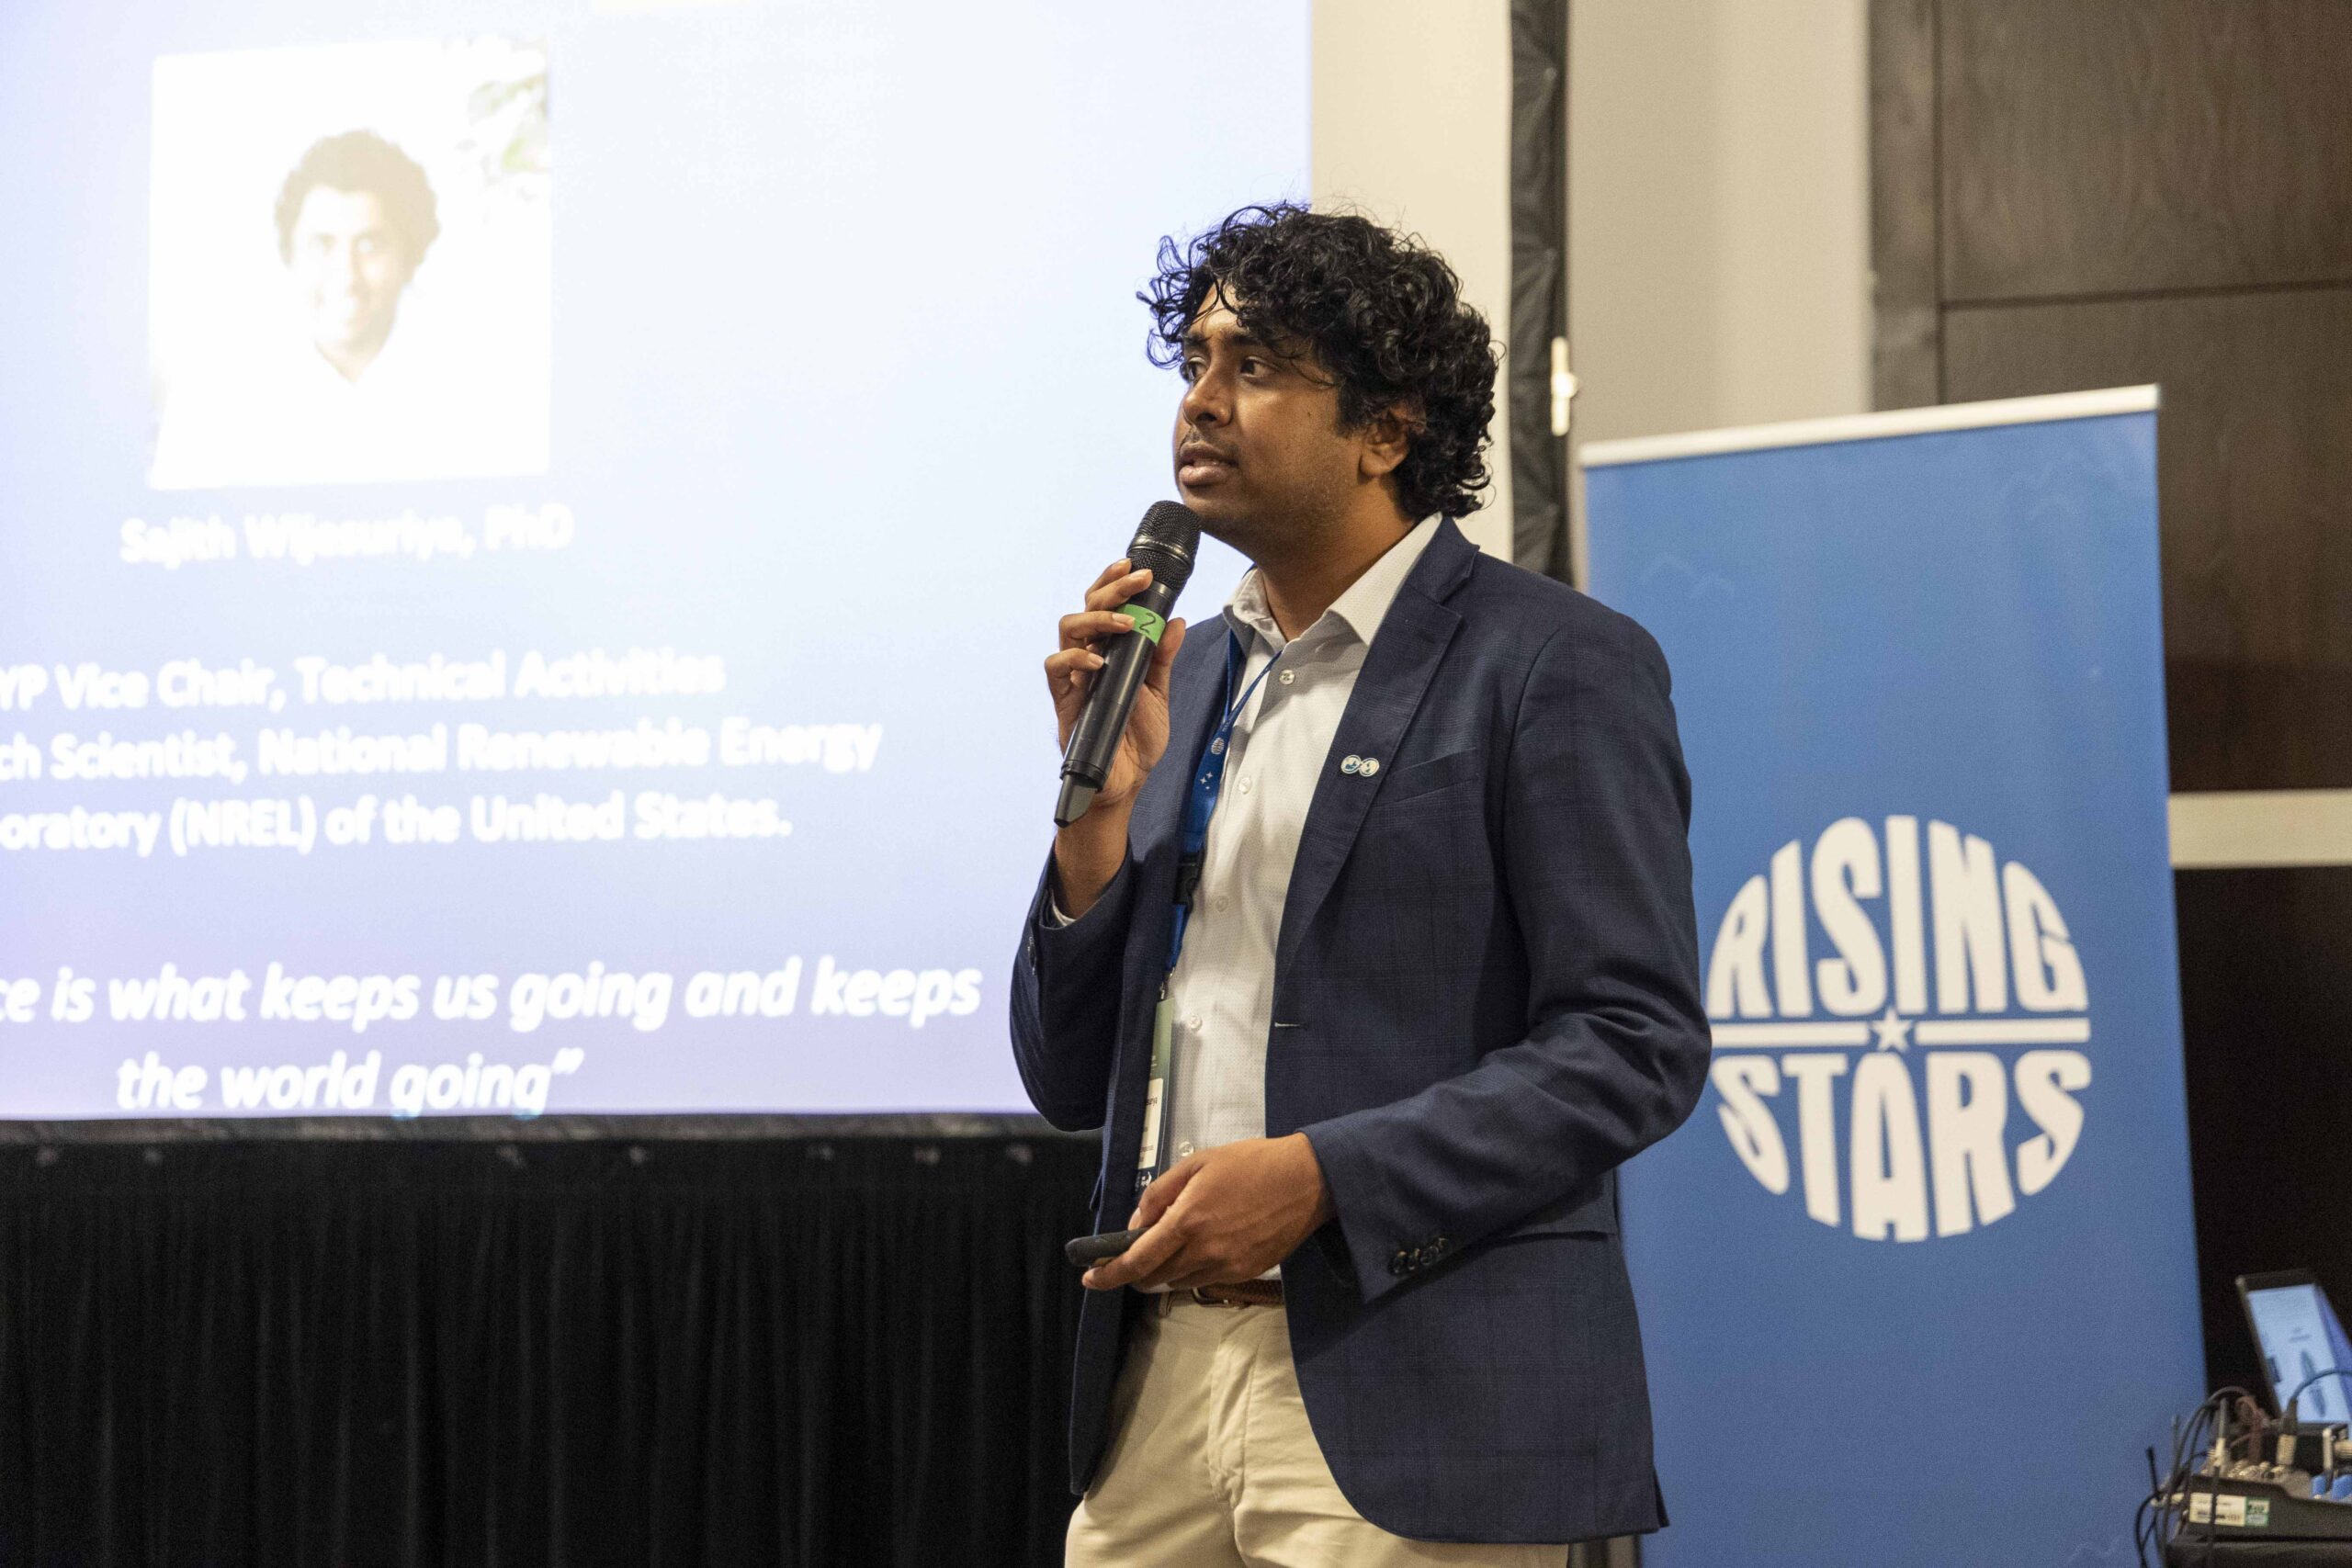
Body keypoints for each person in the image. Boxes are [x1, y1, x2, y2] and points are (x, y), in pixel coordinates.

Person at [1010, 204, 1712, 1564]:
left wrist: (1327, 1175)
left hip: (1420, 1394)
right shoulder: (1182, 677)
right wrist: (1094, 826)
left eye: (1256, 365)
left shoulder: (1548, 662)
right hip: (1153, 1391)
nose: (1200, 402)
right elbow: (1066, 1078)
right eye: (1194, 362)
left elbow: (1633, 1043)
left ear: (1386, 429)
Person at [151, 129, 538, 489]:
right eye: (322, 246)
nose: (346, 275)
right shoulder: (218, 388)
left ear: (409, 256)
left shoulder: (481, 380)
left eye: (369, 246)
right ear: (290, 254)